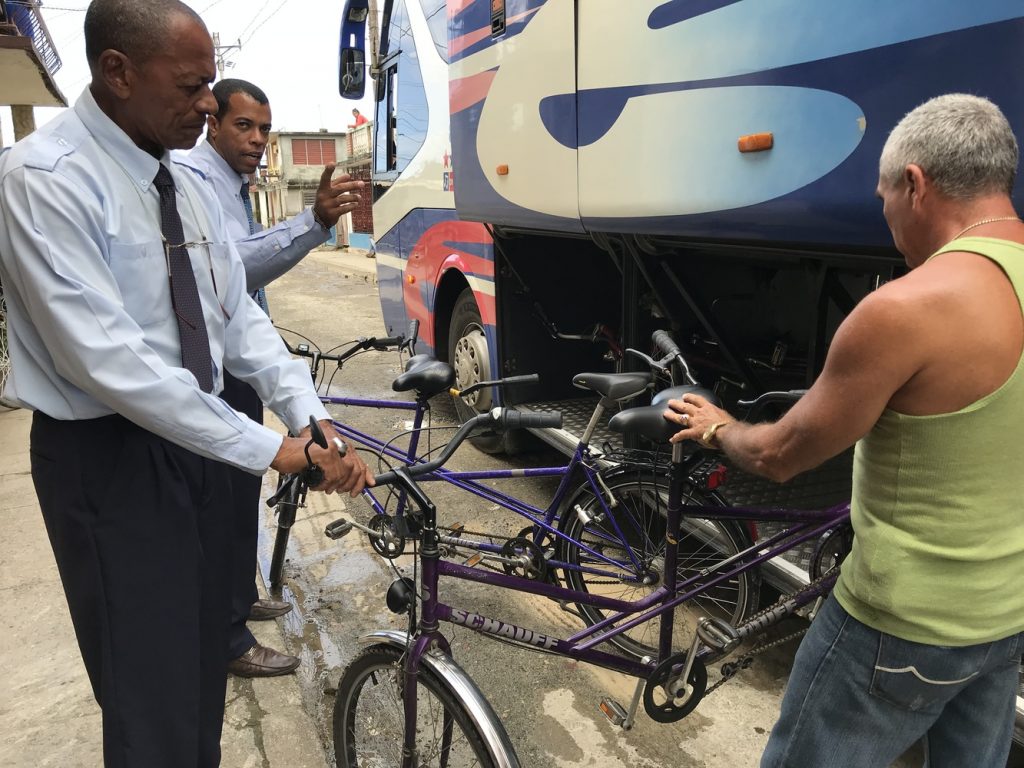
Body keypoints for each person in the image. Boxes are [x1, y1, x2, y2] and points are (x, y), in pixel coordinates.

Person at [0, 1, 372, 766]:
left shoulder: (189, 185)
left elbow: (238, 322)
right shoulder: (44, 179)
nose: (208, 103)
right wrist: (274, 451)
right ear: (118, 71)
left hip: (196, 445)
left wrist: (310, 416)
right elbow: (107, 363)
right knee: (150, 692)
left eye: (211, 85)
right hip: (107, 462)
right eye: (192, 85)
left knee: (204, 661)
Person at [664, 93, 1024, 767]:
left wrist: (718, 428)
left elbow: (780, 456)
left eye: (884, 196)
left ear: (915, 184)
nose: (885, 217)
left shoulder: (906, 309)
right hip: (1006, 617)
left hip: (900, 625)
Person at [185, 78, 362, 678]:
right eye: (243, 126)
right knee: (222, 502)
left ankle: (238, 601)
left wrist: (315, 426)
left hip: (236, 362)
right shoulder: (192, 180)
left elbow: (241, 311)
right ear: (212, 120)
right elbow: (237, 270)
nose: (257, 140)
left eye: (264, 129)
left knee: (239, 499)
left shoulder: (226, 186)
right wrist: (312, 223)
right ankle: (228, 638)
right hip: (199, 383)